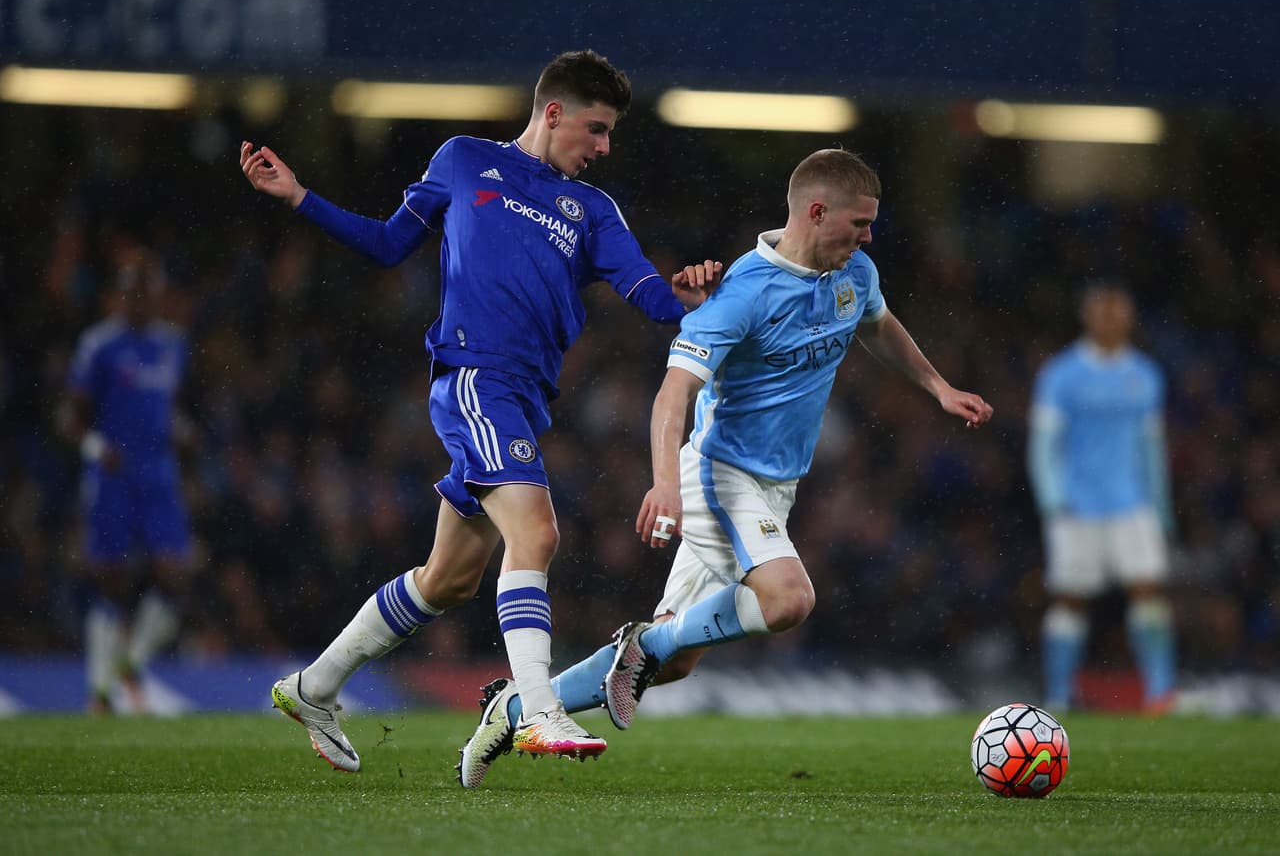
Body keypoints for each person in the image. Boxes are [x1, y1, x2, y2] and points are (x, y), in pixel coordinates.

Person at [240, 49, 720, 772]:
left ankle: (313, 687)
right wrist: (300, 197)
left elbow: (649, 295)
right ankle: (538, 711)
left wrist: (691, 293)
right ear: (552, 112)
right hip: (474, 376)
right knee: (538, 532)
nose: (604, 147)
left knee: (449, 578)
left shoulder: (592, 210)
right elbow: (387, 242)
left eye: (610, 133)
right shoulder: (463, 160)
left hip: (524, 399)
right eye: (595, 129)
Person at [456, 148, 994, 788]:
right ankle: (640, 646)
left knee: (675, 662)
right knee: (789, 599)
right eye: (859, 224)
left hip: (778, 486)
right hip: (721, 474)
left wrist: (936, 387)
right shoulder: (744, 292)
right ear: (817, 212)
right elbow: (672, 392)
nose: (869, 237)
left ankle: (513, 706)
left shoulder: (857, 273)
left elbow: (877, 325)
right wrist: (663, 483)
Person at [1027, 281, 1176, 714]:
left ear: (1129, 317)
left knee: (1148, 591)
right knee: (1071, 597)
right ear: (1087, 316)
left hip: (1132, 503)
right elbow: (1043, 444)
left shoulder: (1145, 375)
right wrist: (1052, 500)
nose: (1111, 320)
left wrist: (1160, 507)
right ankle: (1059, 693)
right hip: (1076, 505)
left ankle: (1160, 691)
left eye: (1118, 311)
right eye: (1103, 311)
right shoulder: (1061, 374)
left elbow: (1151, 447)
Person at [59, 257, 194, 714]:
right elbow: (69, 416)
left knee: (175, 574)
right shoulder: (100, 345)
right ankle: (99, 693)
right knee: (111, 580)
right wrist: (98, 448)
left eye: (147, 293)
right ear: (119, 296)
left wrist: (179, 428)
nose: (140, 302)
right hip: (114, 476)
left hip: (158, 474)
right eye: (132, 292)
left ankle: (131, 664)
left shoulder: (172, 345)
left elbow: (160, 407)